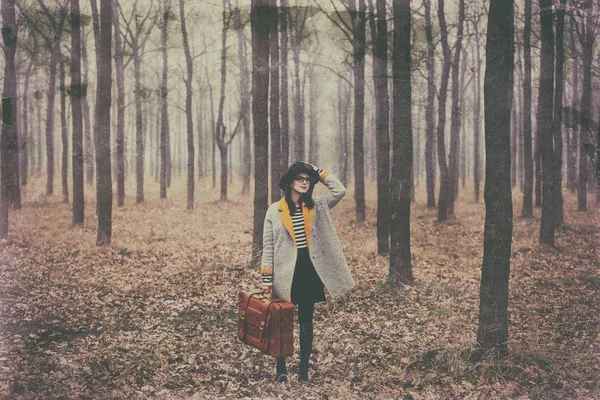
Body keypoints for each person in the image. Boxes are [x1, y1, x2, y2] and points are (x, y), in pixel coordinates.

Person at [260, 161, 355, 383]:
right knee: (282, 321)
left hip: (309, 271)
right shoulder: (274, 210)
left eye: (307, 180)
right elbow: (268, 247)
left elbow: (339, 190)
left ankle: (303, 370)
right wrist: (266, 278)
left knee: (306, 321)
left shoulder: (316, 205)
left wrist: (319, 172)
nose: (305, 183)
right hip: (285, 273)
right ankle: (281, 367)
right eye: (300, 179)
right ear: (290, 182)